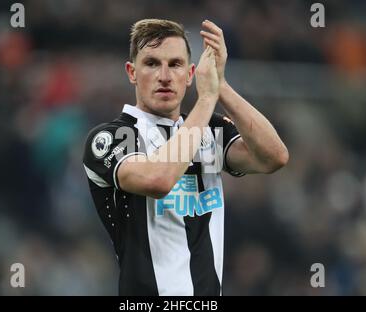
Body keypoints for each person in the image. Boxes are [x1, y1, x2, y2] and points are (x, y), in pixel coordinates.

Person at [83, 19, 288, 296]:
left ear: (190, 74)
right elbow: (158, 179)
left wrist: (221, 85)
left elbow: (274, 157)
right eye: (152, 63)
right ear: (132, 72)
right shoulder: (112, 137)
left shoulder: (210, 130)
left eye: (175, 64)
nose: (165, 76)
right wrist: (205, 100)